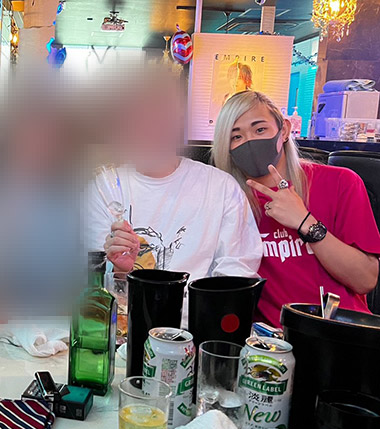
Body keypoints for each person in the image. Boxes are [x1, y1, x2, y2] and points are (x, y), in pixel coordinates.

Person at [84, 66, 263, 326]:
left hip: (197, 328)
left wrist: (203, 326)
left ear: (179, 118)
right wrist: (121, 269)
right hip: (125, 326)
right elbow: (94, 279)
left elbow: (236, 275)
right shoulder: (105, 186)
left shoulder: (221, 187)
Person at [212, 90, 380, 326]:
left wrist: (305, 222)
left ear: (284, 131)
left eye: (260, 130)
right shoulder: (228, 200)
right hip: (270, 338)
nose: (249, 142)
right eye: (236, 136)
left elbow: (365, 279)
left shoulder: (341, 182)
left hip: (340, 331)